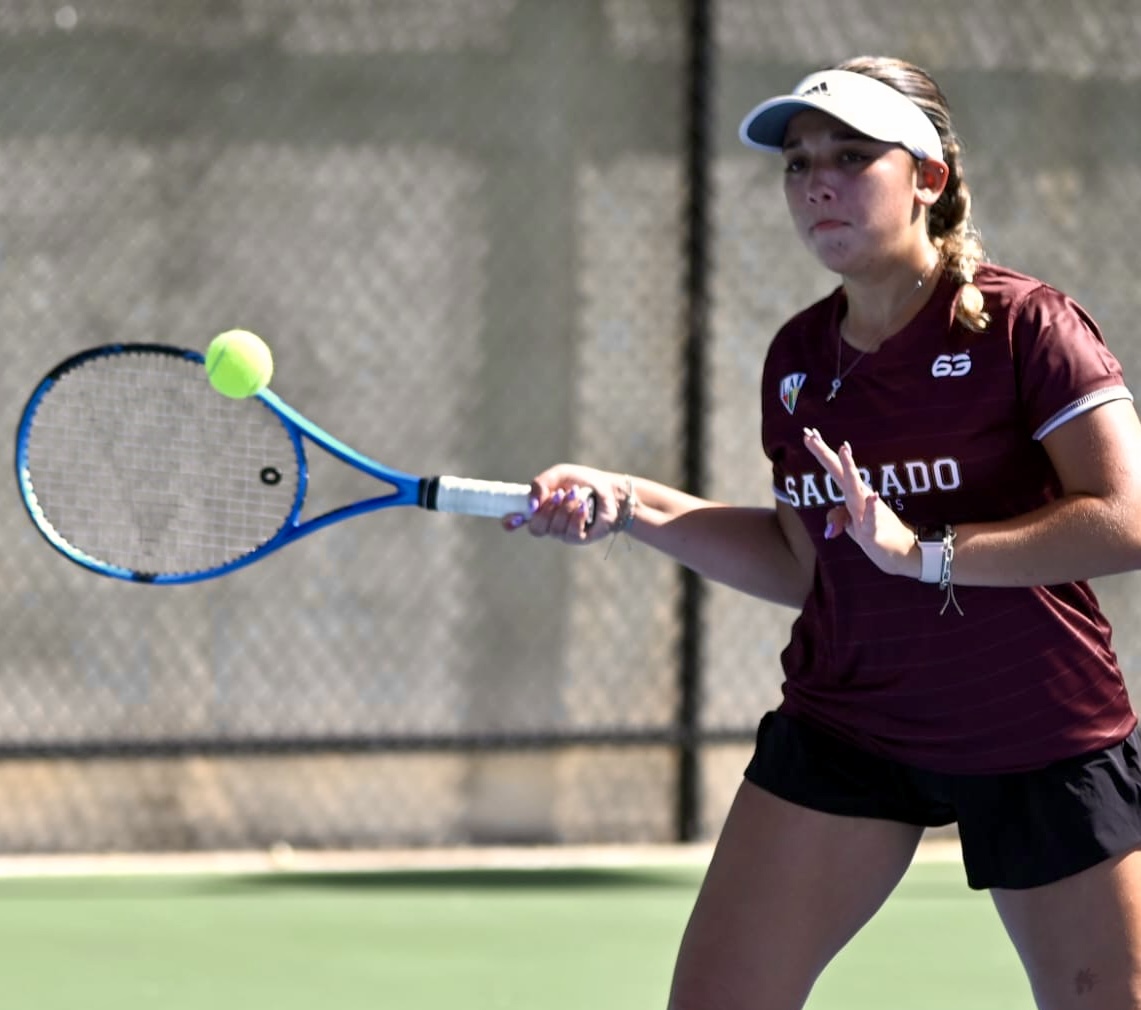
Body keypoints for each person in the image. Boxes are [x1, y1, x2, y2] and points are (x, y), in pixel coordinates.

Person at [503, 55, 1141, 1009]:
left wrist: (927, 554)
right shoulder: (799, 358)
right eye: (797, 164)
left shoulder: (1026, 327)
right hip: (852, 725)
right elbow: (810, 567)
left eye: (850, 155)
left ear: (928, 178)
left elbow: (1124, 519)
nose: (817, 183)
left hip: (1036, 728)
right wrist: (631, 503)